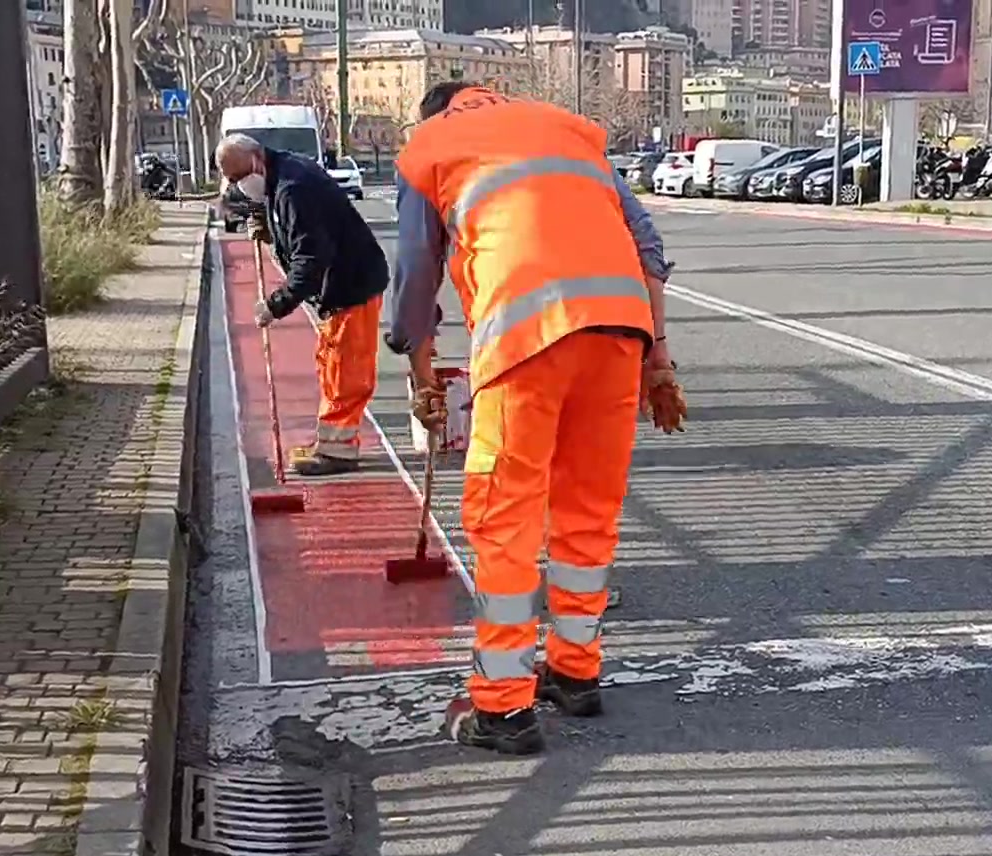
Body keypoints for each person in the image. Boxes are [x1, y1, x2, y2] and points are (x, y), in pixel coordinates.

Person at [385, 81, 685, 756]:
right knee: (587, 513)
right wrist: (659, 361)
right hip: (619, 335)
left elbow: (414, 275)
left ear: (436, 112)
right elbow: (647, 245)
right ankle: (576, 674)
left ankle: (504, 707)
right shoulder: (572, 130)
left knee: (506, 520)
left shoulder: (429, 146)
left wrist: (421, 373)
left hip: (526, 340)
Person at [217, 135, 389, 475]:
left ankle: (338, 451)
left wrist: (275, 305)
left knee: (345, 370)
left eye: (238, 177)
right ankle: (331, 443)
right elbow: (292, 227)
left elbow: (310, 258)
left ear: (255, 160)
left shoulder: (294, 187)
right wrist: (267, 227)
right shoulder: (281, 173)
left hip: (349, 284)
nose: (238, 185)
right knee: (331, 363)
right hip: (339, 285)